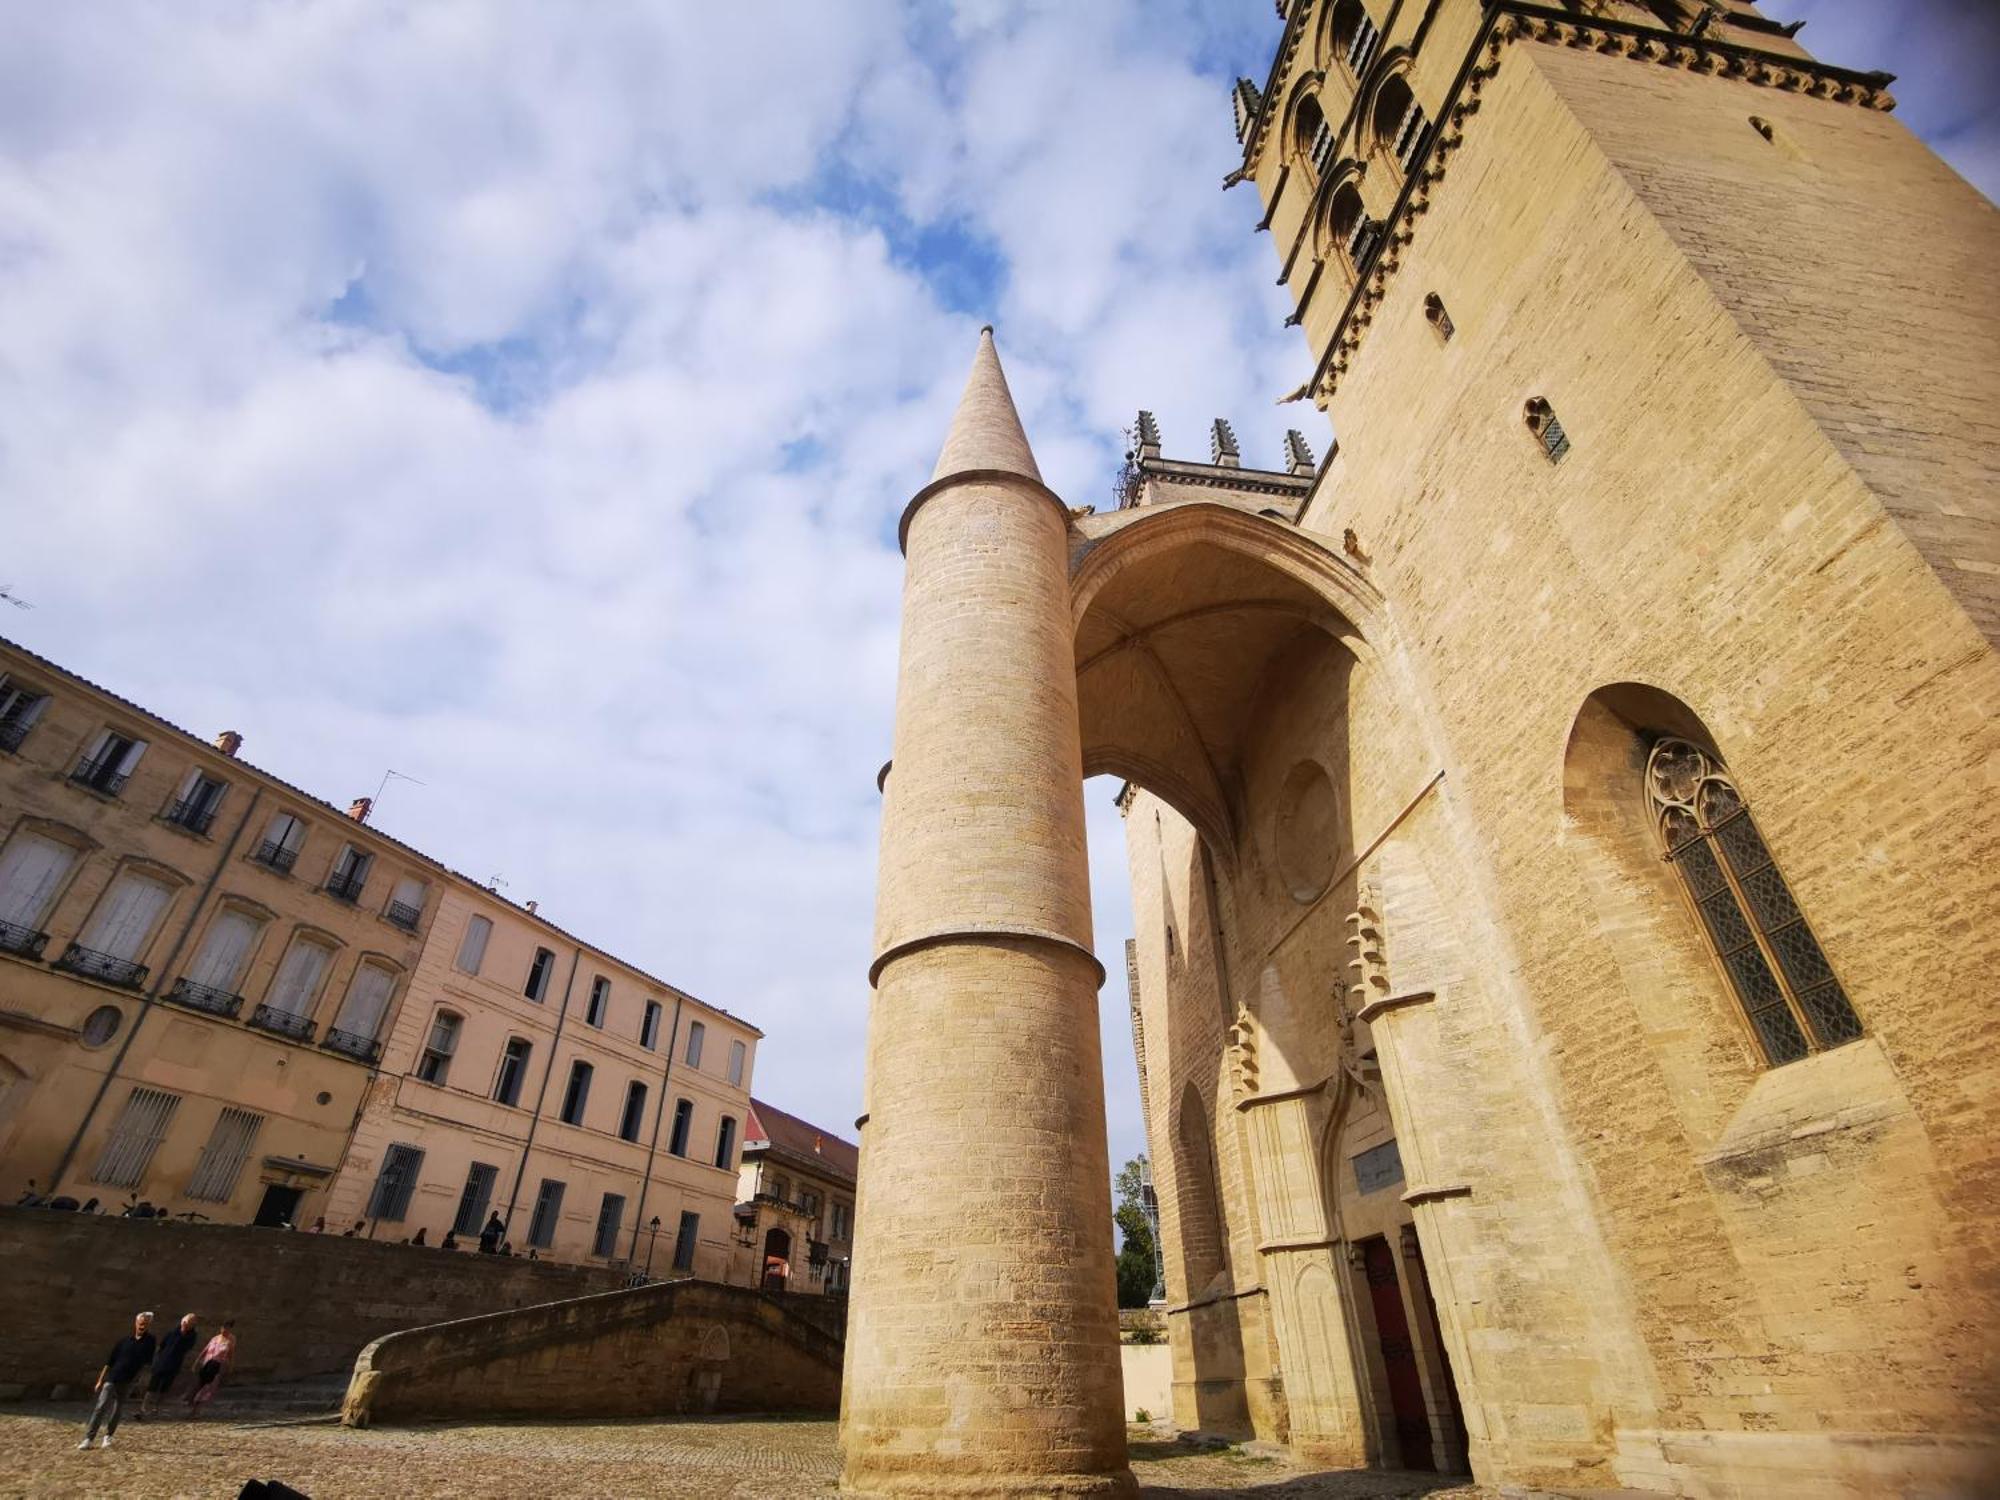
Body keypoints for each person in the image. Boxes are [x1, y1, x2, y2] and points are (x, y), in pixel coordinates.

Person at [79, 1311, 154, 1450]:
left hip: (128, 1381)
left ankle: (108, 1436)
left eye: (145, 1323)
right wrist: (100, 1380)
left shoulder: (150, 1342)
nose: (142, 1325)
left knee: (117, 1409)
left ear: (149, 1325)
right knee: (100, 1407)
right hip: (113, 1378)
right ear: (136, 1323)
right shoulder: (124, 1341)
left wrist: (140, 1381)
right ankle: (89, 1438)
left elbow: (147, 1363)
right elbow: (109, 1362)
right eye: (140, 1323)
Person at [140, 1313, 200, 1419]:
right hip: (162, 1362)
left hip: (174, 1364)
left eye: (189, 1323)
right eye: (185, 1322)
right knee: (152, 1386)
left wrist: (184, 1333)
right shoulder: (172, 1332)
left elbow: (187, 1347)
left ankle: (156, 1408)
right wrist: (157, 1359)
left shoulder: (192, 1336)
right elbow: (162, 1346)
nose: (185, 1324)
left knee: (164, 1387)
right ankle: (144, 1407)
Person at [186, 1320, 236, 1418]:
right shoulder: (215, 1339)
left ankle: (197, 1411)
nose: (224, 1330)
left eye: (226, 1328)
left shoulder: (230, 1341)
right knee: (199, 1385)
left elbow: (230, 1355)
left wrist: (230, 1367)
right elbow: (205, 1351)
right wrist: (196, 1363)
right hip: (207, 1364)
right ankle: (192, 1408)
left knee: (208, 1388)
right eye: (223, 1328)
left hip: (217, 1366)